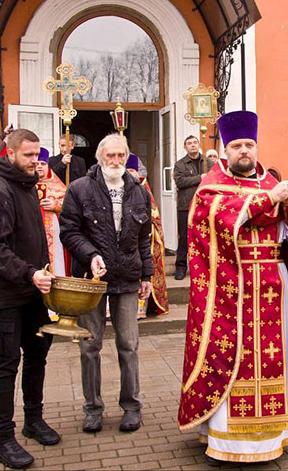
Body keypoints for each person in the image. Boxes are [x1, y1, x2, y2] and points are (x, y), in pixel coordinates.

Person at [177, 110, 288, 465]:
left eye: (249, 145)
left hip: (272, 287)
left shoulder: (272, 182)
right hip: (229, 290)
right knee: (231, 360)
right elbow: (215, 223)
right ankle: (226, 441)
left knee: (275, 358)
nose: (244, 151)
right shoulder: (210, 185)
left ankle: (275, 434)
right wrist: (270, 200)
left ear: (256, 147)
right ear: (225, 150)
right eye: (237, 145)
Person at [59, 135, 153, 434]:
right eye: (110, 155)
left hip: (127, 278)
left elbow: (144, 238)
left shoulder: (139, 191)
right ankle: (93, 409)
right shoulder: (79, 189)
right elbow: (69, 231)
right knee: (90, 346)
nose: (116, 161)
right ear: (100, 157)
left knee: (129, 345)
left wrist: (147, 276)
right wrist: (92, 255)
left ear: (127, 157)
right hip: (92, 280)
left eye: (121, 156)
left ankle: (132, 407)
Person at [0, 129, 59, 469]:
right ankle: (3, 438)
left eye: (38, 155)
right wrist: (29, 273)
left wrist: (43, 275)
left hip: (33, 292)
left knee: (37, 356)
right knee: (6, 365)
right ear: (9, 154)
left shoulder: (27, 187)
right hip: (5, 295)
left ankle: (33, 420)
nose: (35, 162)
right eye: (28, 155)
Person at [125, 153, 169, 318]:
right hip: (124, 240)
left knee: (140, 271)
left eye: (132, 170)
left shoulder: (143, 188)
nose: (130, 173)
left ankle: (141, 308)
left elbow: (153, 215)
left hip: (142, 238)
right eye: (126, 170)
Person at [172, 135, 205, 279]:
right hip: (185, 206)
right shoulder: (180, 165)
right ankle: (180, 267)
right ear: (185, 147)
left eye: (195, 142)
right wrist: (200, 178)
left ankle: (202, 267)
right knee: (184, 238)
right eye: (189, 143)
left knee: (203, 238)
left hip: (204, 207)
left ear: (198, 145)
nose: (192, 145)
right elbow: (180, 182)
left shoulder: (208, 163)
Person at [36, 148, 68, 276]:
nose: (39, 167)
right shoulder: (25, 183)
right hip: (31, 228)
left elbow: (67, 204)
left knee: (55, 262)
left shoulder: (56, 183)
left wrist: (55, 206)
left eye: (42, 164)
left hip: (52, 230)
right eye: (36, 164)